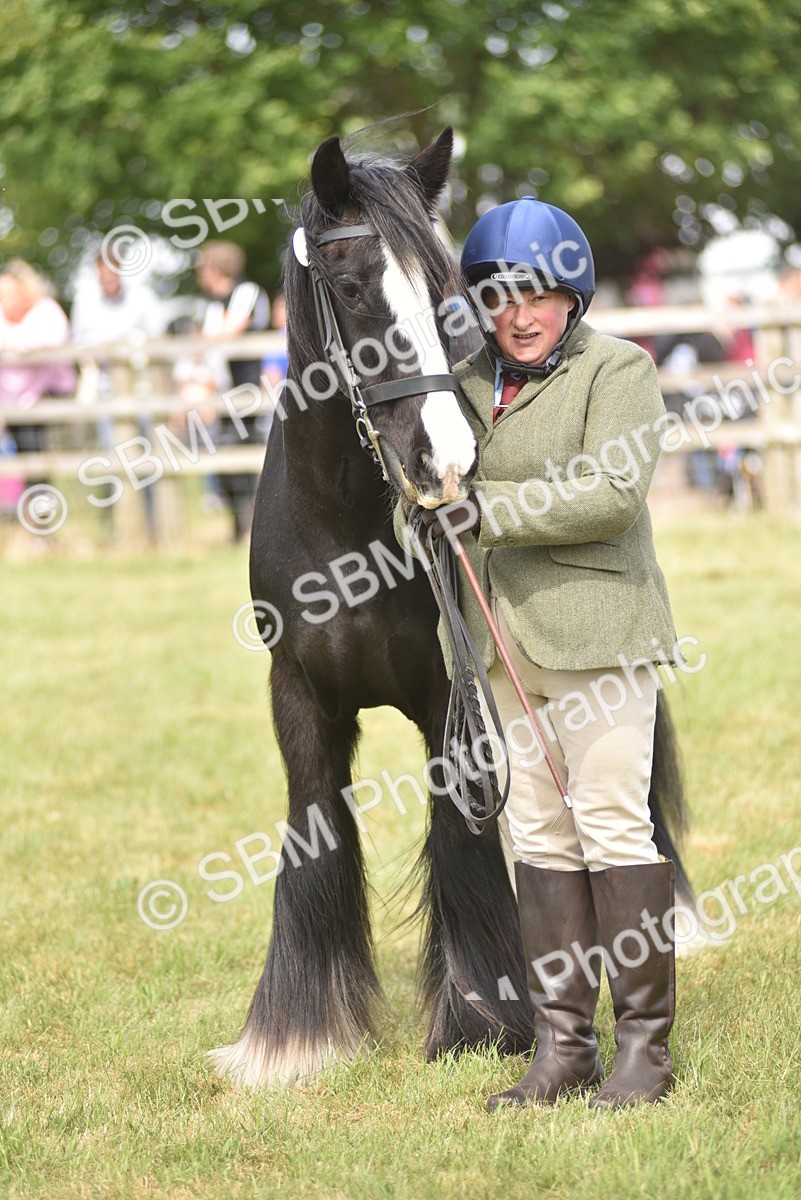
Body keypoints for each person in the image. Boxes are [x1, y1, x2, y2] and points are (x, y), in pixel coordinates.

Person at [403, 197, 681, 1111]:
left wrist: (489, 512)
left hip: (596, 637)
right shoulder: (466, 379)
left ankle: (643, 1051)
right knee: (537, 842)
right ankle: (564, 1050)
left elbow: (610, 490)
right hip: (497, 649)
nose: (517, 315)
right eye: (497, 297)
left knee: (610, 827)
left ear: (573, 297)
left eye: (538, 296)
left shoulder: (621, 369)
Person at [196, 241, 270, 542]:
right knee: (225, 459)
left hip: (249, 389)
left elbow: (226, 333)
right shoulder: (213, 305)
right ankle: (237, 526)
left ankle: (254, 526)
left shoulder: (246, 292)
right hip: (223, 390)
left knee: (247, 455)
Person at [0, 260, 76, 493]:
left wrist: (10, 345)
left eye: (10, 293)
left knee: (33, 448)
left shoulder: (46, 311)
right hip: (10, 399)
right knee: (22, 452)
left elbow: (49, 341)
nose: (5, 299)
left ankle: (40, 509)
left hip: (48, 393)